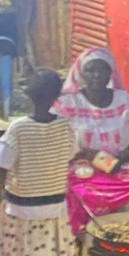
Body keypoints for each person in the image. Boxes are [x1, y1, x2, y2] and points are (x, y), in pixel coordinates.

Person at [52, 47, 129, 236]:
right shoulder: (69, 103)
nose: (97, 75)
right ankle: (86, 243)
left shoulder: (123, 100)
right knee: (79, 195)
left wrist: (122, 157)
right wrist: (85, 154)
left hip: (121, 167)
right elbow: (54, 138)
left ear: (111, 73)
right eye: (90, 70)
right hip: (80, 168)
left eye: (103, 70)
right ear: (80, 73)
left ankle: (126, 240)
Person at [0, 68, 77, 256]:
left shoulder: (18, 128)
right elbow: (70, 155)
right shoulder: (65, 126)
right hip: (54, 206)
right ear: (57, 96)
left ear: (28, 94)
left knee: (21, 249)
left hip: (21, 208)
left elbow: (3, 164)